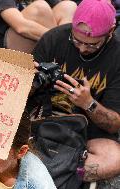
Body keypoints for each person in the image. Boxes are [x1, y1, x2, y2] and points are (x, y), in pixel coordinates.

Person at [30, 0, 120, 184]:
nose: (82, 48)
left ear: (111, 31)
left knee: (113, 159)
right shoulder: (53, 38)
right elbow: (21, 96)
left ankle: (42, 173)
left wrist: (89, 103)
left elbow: (113, 125)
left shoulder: (117, 57)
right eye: (76, 40)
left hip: (86, 131)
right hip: (42, 120)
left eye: (92, 45)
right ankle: (62, 175)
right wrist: (27, 81)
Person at [0, 0, 77, 52]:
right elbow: (21, 27)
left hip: (39, 44)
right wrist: (59, 39)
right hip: (8, 52)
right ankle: (61, 52)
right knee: (40, 8)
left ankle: (62, 54)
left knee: (68, 6)